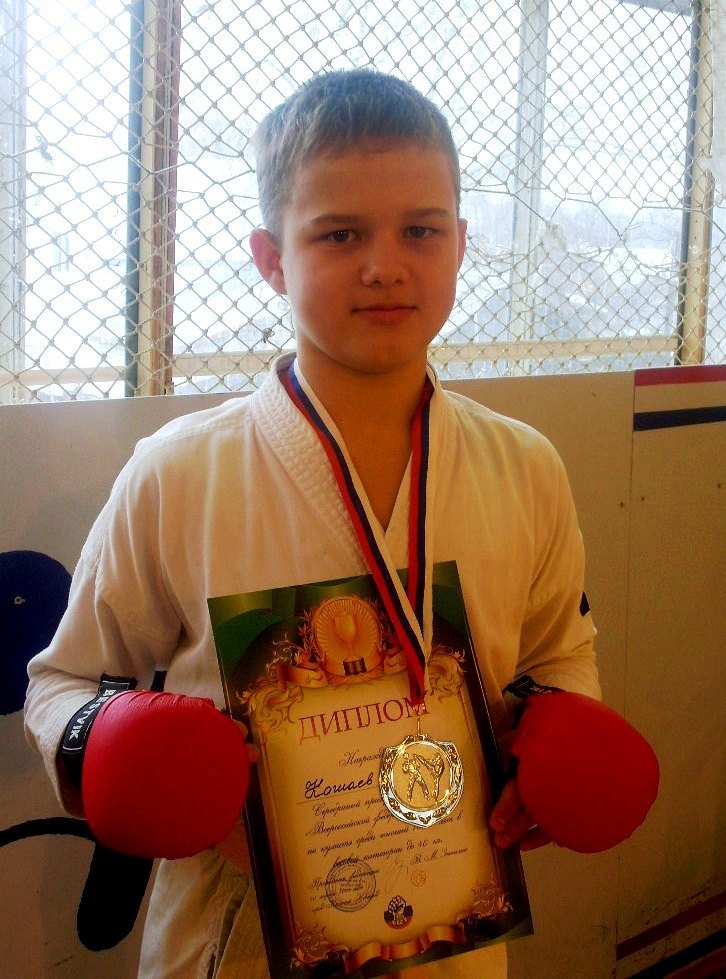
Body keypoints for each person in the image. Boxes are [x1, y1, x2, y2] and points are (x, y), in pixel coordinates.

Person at [24, 68, 599, 978]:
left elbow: (559, 651)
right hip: (241, 935)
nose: (385, 265)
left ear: (460, 243)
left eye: (421, 230)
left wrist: (558, 740)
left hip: (453, 932)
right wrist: (114, 746)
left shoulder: (525, 467)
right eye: (340, 234)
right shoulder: (180, 473)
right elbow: (59, 681)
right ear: (270, 258)